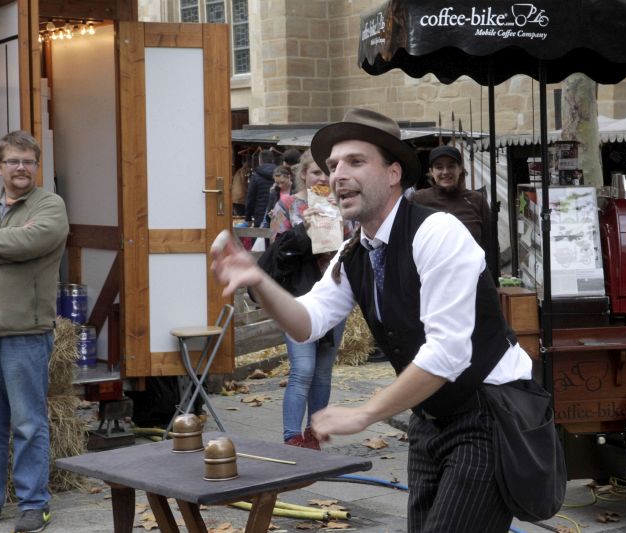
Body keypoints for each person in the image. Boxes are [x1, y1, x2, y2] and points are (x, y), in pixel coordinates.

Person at [212, 108, 532, 532]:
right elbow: (307, 322)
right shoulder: (355, 252)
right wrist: (259, 279)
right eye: (333, 166)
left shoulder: (437, 232)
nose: (338, 175)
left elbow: (448, 353)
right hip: (431, 418)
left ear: (393, 173)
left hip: (489, 412)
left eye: (356, 162)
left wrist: (364, 413)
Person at [0, 131, 68, 532]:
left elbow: (30, 243)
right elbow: (16, 247)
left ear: (36, 167)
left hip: (25, 332)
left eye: (28, 162)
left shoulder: (49, 205)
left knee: (28, 423)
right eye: (13, 161)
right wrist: (6, 247)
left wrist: (5, 245)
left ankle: (34, 504)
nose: (21, 168)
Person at [266, 150, 349, 449]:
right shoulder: (287, 205)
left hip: (333, 296)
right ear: (303, 174)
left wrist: (342, 225)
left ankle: (314, 434)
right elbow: (276, 252)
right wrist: (304, 228)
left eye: (328, 171)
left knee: (323, 372)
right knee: (302, 370)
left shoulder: (342, 203)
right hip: (298, 299)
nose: (323, 178)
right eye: (316, 172)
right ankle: (292, 437)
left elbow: (354, 245)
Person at [411, 144, 496, 278]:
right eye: (439, 167)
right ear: (431, 172)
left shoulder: (477, 200)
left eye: (451, 166)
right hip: (431, 280)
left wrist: (492, 282)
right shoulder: (418, 199)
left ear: (460, 169)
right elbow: (409, 245)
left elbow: (490, 246)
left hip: (472, 280)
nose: (445, 172)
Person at [244, 149, 277, 227]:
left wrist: (248, 217)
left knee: (260, 234)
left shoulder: (255, 176)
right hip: (277, 214)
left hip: (260, 215)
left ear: (260, 160)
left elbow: (250, 198)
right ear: (272, 160)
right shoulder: (280, 174)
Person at [261, 166, 294, 230]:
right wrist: (271, 214)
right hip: (279, 228)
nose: (280, 185)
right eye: (277, 183)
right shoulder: (274, 192)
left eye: (282, 182)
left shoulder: (297, 190)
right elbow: (269, 210)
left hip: (294, 227)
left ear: (289, 177)